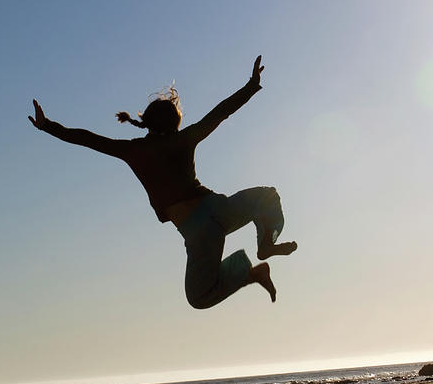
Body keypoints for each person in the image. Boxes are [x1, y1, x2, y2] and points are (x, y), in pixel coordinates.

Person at [28, 56, 297, 308]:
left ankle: (252, 272)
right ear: (174, 124)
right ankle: (266, 242)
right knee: (268, 196)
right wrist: (250, 87)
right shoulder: (182, 139)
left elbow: (89, 139)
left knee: (200, 297)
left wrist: (47, 126)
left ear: (148, 124)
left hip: (197, 231)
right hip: (218, 210)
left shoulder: (134, 150)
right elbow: (220, 113)